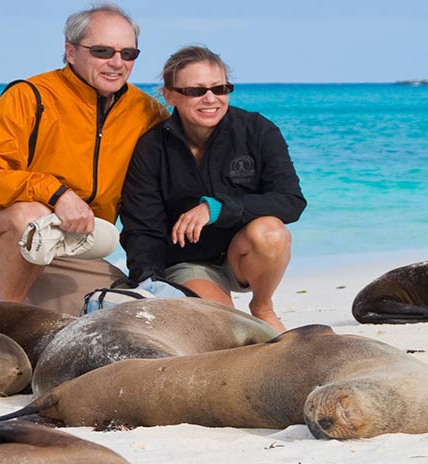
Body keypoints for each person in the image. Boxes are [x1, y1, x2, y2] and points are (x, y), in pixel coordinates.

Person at [0, 3, 167, 316]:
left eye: (128, 54)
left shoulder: (147, 113)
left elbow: (164, 186)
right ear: (71, 52)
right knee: (30, 217)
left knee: (127, 311)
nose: (117, 63)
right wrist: (56, 194)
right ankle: (10, 321)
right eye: (102, 51)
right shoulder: (29, 96)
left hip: (74, 244)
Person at [119, 46, 306, 332]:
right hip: (190, 263)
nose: (210, 99)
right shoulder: (151, 148)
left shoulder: (258, 130)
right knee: (228, 332)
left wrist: (217, 208)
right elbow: (143, 228)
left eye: (220, 88)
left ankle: (263, 305)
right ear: (170, 96)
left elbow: (291, 201)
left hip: (245, 255)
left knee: (270, 231)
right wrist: (148, 284)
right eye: (195, 91)